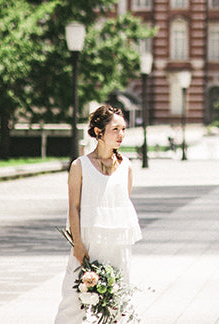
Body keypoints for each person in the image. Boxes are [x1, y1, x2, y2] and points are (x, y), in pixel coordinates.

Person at [55, 105, 142, 323]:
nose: (121, 134)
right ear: (98, 132)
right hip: (87, 244)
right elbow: (73, 207)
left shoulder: (127, 167)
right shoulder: (80, 165)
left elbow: (121, 205)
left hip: (117, 245)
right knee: (74, 300)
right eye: (115, 129)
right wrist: (78, 245)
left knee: (118, 302)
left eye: (123, 129)